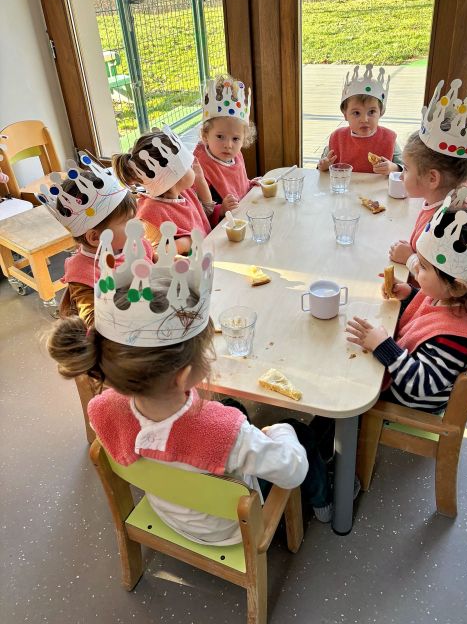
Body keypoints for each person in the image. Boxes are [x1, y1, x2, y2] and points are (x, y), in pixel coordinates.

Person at [47, 224, 333, 544]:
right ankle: (324, 504)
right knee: (301, 432)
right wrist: (281, 432)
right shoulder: (228, 432)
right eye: (205, 351)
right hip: (229, 528)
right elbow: (292, 470)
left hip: (168, 510)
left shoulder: (101, 408)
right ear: (183, 376)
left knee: (232, 407)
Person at [346, 203, 467, 412]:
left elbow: (421, 385)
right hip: (400, 378)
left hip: (404, 404)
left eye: (423, 267)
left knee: (345, 389)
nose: (415, 268)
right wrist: (409, 295)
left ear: (457, 286)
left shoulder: (454, 337)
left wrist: (381, 345)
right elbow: (429, 314)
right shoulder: (451, 297)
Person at [389, 79, 467, 275]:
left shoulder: (448, 224)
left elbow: (440, 279)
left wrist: (410, 258)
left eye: (406, 169)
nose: (400, 176)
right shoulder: (451, 192)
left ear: (432, 179)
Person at [36, 153, 148, 327]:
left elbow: (157, 263)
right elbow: (93, 320)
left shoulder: (133, 244)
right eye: (128, 221)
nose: (138, 225)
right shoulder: (82, 273)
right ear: (95, 237)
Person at [113, 128, 212, 254]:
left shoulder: (183, 192)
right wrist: (184, 244)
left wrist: (200, 179)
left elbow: (205, 213)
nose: (193, 165)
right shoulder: (150, 214)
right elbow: (155, 254)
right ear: (174, 176)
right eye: (188, 165)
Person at [193, 74, 259, 220]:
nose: (228, 145)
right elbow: (197, 209)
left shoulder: (236, 156)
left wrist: (251, 185)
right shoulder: (200, 167)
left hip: (244, 216)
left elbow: (239, 187)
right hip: (222, 227)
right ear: (205, 135)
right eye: (220, 136)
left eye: (235, 139)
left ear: (244, 138)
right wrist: (221, 209)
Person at [318, 64, 402, 174]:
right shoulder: (337, 138)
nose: (364, 119)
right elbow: (321, 165)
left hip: (379, 185)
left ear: (381, 112)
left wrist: (394, 168)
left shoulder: (389, 139)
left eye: (371, 112)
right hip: (344, 185)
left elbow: (406, 169)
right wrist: (323, 165)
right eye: (356, 113)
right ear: (345, 115)